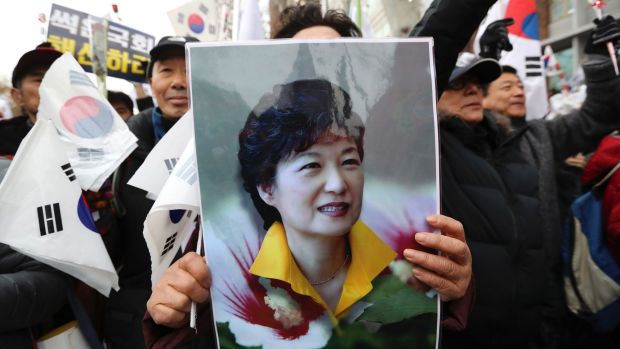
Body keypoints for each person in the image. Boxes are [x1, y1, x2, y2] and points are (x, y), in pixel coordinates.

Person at [144, 2, 493, 347]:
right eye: (311, 164)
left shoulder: (409, 238)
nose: (337, 184)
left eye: (349, 161)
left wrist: (454, 293)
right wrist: (174, 316)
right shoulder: (224, 252)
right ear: (267, 187)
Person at [105, 35, 198, 349]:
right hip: (134, 323)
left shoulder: (237, 144)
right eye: (167, 71)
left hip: (210, 320)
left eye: (190, 70)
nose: (180, 82)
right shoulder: (118, 152)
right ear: (150, 81)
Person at [0, 43, 62, 157]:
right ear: (17, 96)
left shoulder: (95, 140)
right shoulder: (3, 141)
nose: (51, 85)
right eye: (39, 80)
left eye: (59, 78)